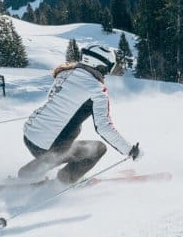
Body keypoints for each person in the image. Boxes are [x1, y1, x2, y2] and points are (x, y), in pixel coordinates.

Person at [18, 43, 140, 183]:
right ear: (101, 65)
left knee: (63, 145)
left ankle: (31, 172)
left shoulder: (65, 73)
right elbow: (103, 127)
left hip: (29, 136)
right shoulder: (97, 90)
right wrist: (129, 150)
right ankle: (65, 179)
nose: (107, 73)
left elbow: (54, 101)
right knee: (98, 149)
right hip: (49, 148)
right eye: (109, 68)